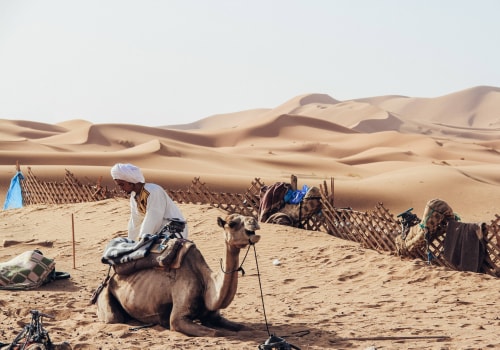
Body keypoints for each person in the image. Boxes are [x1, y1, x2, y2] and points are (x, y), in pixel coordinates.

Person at [110, 163, 188, 241]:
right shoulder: (134, 197)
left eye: (122, 184)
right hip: (156, 231)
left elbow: (153, 217)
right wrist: (132, 241)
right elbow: (135, 221)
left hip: (174, 229)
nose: (120, 188)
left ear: (131, 181)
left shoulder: (153, 191)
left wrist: (143, 237)